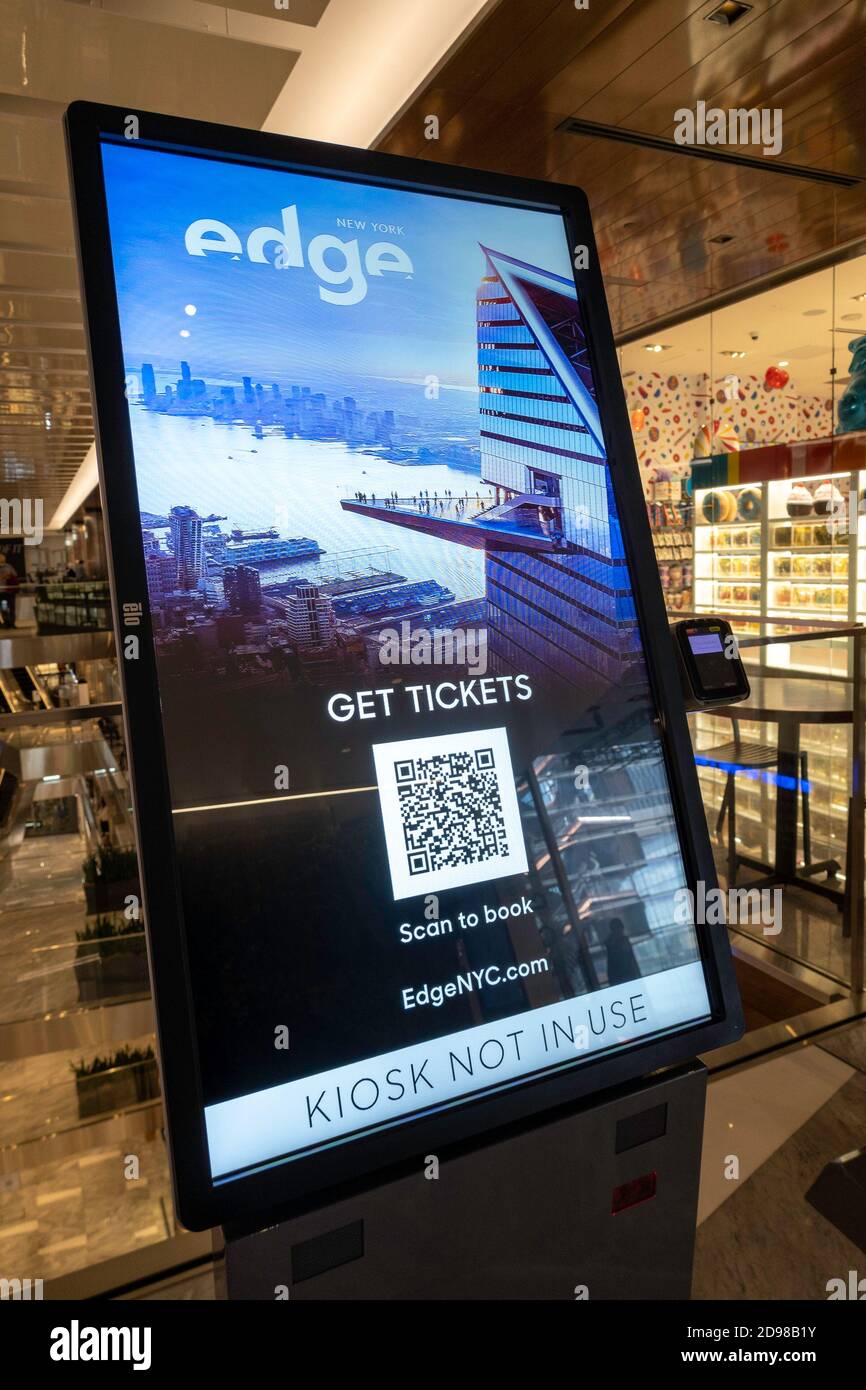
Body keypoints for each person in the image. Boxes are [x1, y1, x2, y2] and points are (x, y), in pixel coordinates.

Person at [604, 917, 640, 986]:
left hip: (623, 977)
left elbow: (631, 959)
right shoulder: (615, 943)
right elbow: (630, 959)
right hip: (624, 977)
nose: (621, 931)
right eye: (618, 928)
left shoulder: (613, 942)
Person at [0, 552, 19, 628]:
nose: (2, 558)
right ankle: (5, 624)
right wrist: (2, 576)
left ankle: (12, 624)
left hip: (10, 591)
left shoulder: (9, 566)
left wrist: (9, 575)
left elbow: (15, 575)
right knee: (3, 608)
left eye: (3, 557)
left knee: (12, 608)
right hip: (1, 592)